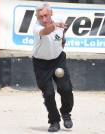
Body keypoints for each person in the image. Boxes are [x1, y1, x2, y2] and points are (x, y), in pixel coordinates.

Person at [32, 3, 74, 132]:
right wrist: (54, 25)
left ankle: (66, 113)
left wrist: (62, 41)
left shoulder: (60, 21)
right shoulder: (37, 28)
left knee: (66, 89)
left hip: (58, 59)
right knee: (49, 94)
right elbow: (46, 31)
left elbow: (61, 36)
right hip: (41, 64)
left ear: (51, 13)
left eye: (46, 15)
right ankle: (54, 121)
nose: (44, 19)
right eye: (40, 17)